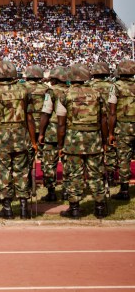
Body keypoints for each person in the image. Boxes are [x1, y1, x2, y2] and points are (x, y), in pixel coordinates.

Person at [0, 60, 50, 220]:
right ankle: (23, 208)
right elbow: (29, 118)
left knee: (4, 172)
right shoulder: (24, 91)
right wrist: (34, 142)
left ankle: (7, 209)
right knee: (22, 173)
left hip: (1, 138)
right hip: (21, 137)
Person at [56, 64, 108, 218]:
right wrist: (104, 140)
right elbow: (104, 119)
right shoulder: (97, 94)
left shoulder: (65, 95)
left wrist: (60, 144)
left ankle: (75, 208)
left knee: (74, 174)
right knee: (96, 173)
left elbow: (61, 123)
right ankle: (99, 207)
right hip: (94, 139)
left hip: (73, 140)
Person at [24, 65, 53, 200]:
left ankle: (27, 185)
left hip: (26, 127)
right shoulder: (47, 89)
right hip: (43, 126)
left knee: (26, 159)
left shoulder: (22, 88)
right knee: (47, 160)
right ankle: (51, 190)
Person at [108, 59, 135, 201]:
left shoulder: (116, 87)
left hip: (123, 127)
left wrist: (111, 133)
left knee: (124, 158)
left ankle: (124, 191)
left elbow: (112, 112)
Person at [40, 66, 69, 201]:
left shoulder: (51, 92)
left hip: (52, 130)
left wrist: (41, 132)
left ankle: (51, 192)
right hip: (68, 131)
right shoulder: (71, 91)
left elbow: (46, 113)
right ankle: (67, 191)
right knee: (68, 162)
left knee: (49, 163)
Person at [88, 62, 115, 186]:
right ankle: (110, 176)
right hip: (111, 119)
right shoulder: (112, 86)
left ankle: (95, 175)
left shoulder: (89, 86)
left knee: (94, 150)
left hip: (93, 120)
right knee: (109, 147)